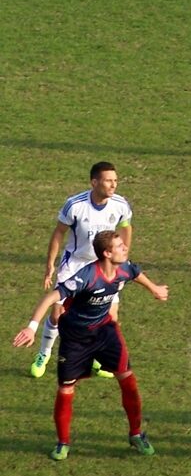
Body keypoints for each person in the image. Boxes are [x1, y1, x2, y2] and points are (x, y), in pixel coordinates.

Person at [12, 230, 168, 460]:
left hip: (105, 332)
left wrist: (154, 288)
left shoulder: (124, 267)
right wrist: (32, 327)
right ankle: (62, 442)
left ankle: (136, 434)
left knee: (127, 377)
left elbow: (136, 273)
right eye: (119, 245)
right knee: (66, 388)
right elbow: (50, 297)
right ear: (106, 253)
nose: (125, 247)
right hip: (75, 339)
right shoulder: (86, 276)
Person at [30, 161, 133, 379]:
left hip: (104, 266)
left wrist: (122, 257)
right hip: (75, 264)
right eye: (108, 180)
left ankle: (95, 358)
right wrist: (50, 264)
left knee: (109, 317)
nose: (113, 185)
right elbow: (58, 233)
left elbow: (126, 227)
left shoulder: (120, 205)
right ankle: (44, 354)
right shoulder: (75, 205)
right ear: (94, 182)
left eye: (115, 180)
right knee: (58, 314)